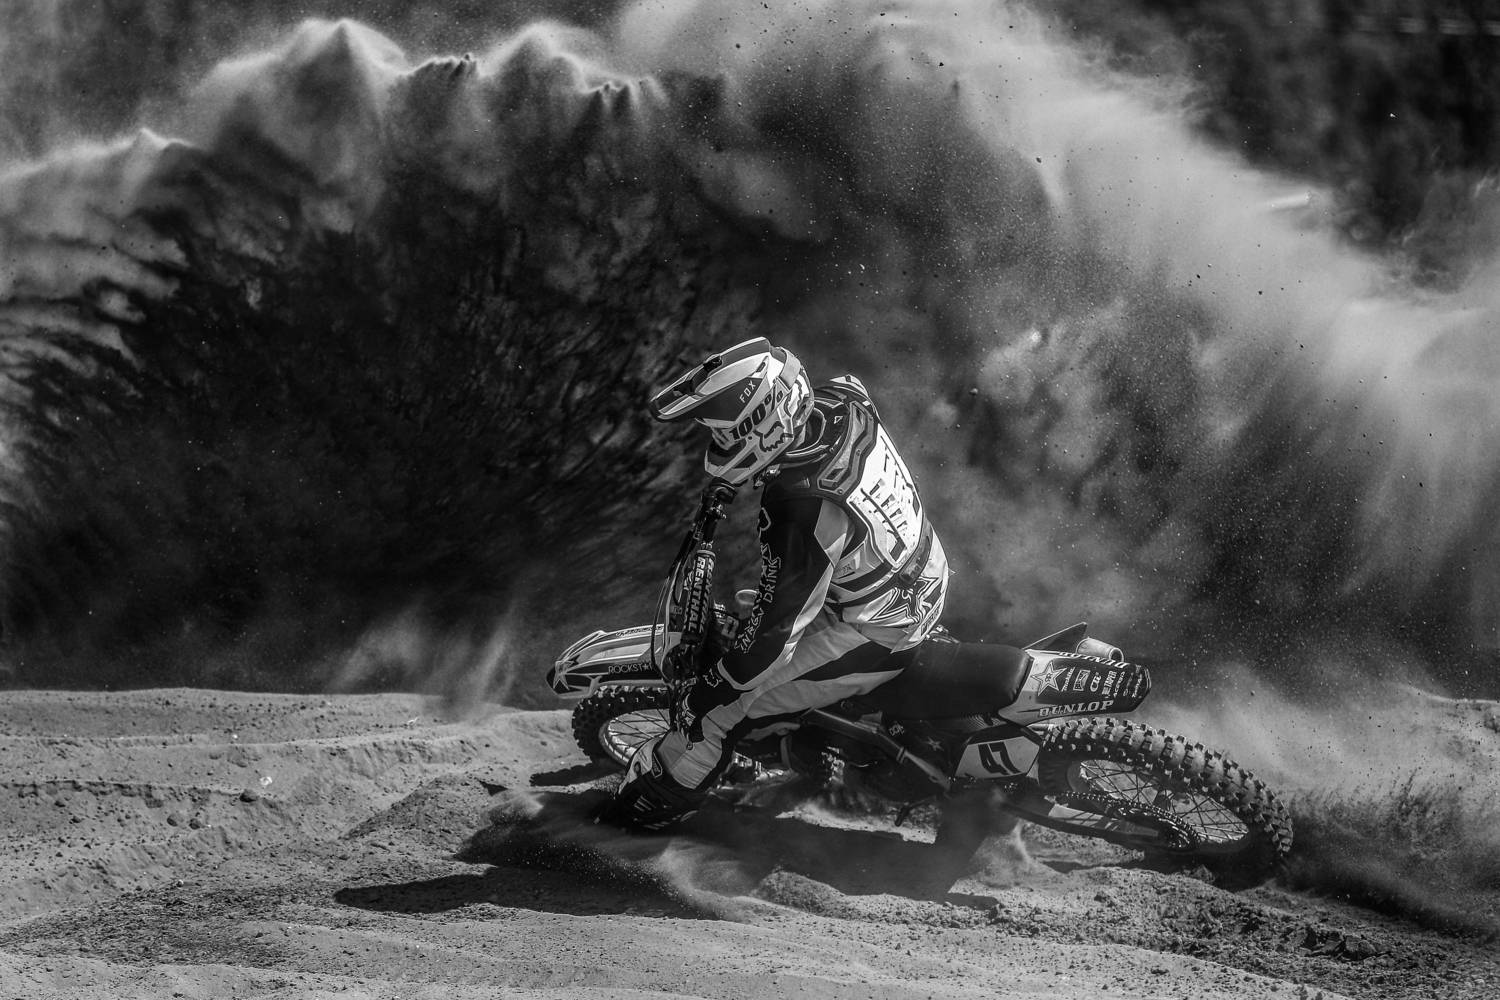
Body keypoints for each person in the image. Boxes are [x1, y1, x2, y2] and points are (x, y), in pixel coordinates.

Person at [598, 336, 952, 831]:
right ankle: (790, 747)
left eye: (725, 434)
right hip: (921, 568)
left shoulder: (800, 508)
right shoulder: (843, 399)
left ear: (763, 425)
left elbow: (771, 644)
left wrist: (711, 690)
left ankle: (645, 816)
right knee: (758, 614)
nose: (718, 445)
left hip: (882, 629)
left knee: (718, 712)